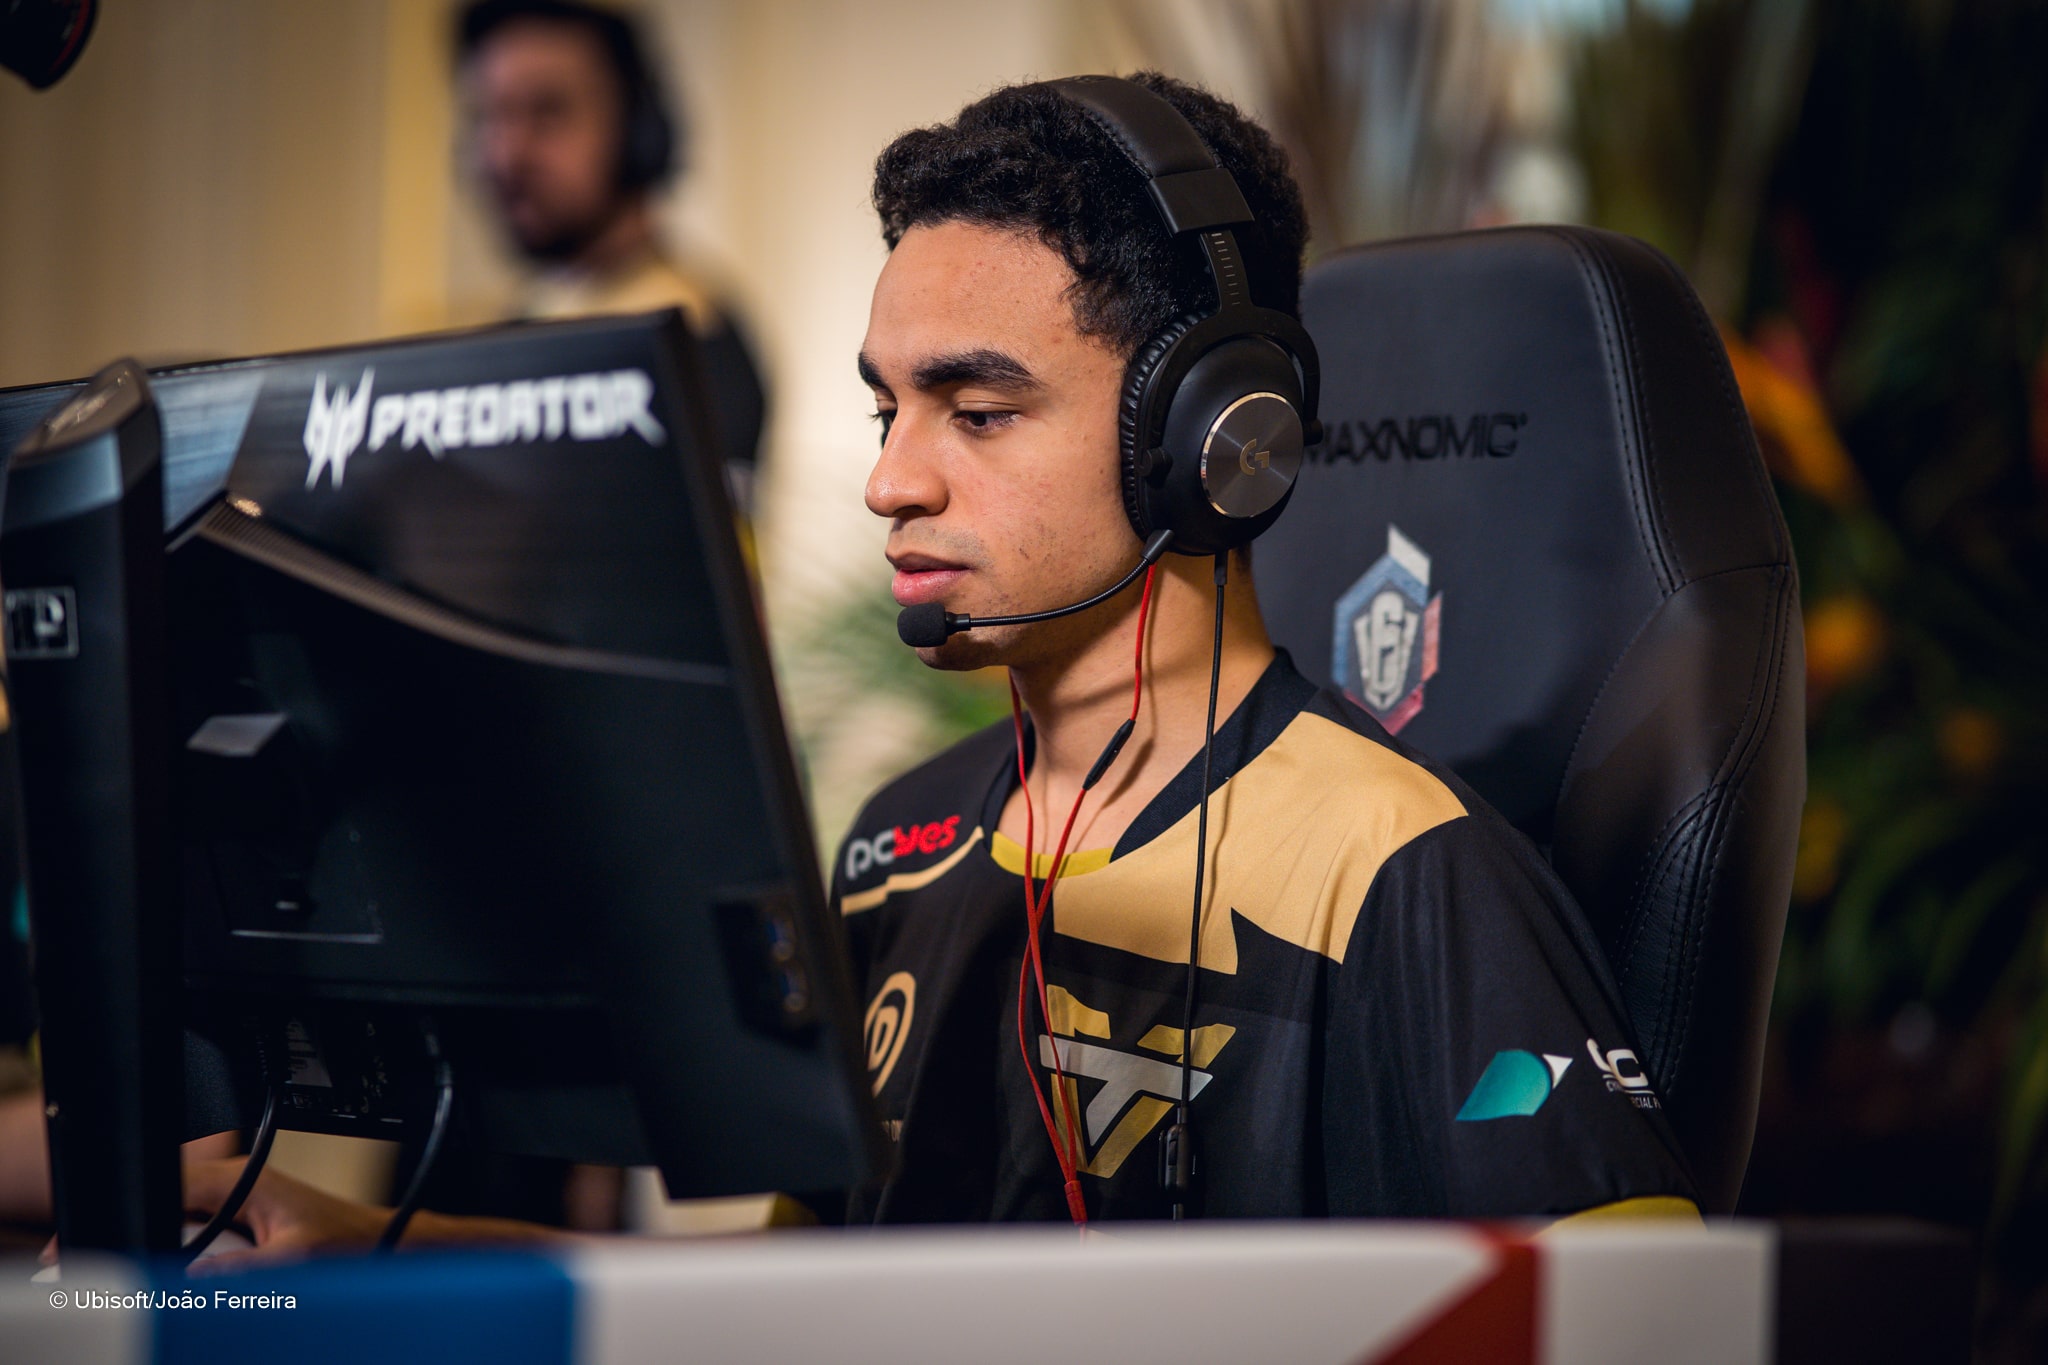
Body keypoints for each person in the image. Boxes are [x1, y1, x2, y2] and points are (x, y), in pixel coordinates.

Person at [181, 72, 1695, 1254]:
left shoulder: (1397, 871)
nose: (890, 481)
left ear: (1207, 445)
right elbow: (793, 1316)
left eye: (976, 412)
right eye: (884, 409)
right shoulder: (894, 851)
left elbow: (1641, 1325)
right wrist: (356, 1247)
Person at [457, 0, 766, 504]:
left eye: (548, 112)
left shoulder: (692, 346)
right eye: (490, 116)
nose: (506, 154)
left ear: (638, 130)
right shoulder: (521, 324)